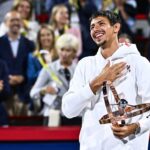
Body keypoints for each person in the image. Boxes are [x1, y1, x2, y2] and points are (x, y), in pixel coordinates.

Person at [62, 10, 150, 150]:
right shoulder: (85, 65)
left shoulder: (139, 63)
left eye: (101, 24)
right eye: (92, 26)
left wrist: (137, 127)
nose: (95, 29)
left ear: (116, 27)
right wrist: (97, 82)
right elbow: (68, 110)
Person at [30, 33, 79, 126]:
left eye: (68, 50)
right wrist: (43, 91)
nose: (64, 53)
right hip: (53, 115)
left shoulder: (79, 69)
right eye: (62, 49)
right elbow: (33, 93)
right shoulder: (48, 69)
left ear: (74, 52)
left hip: (75, 115)